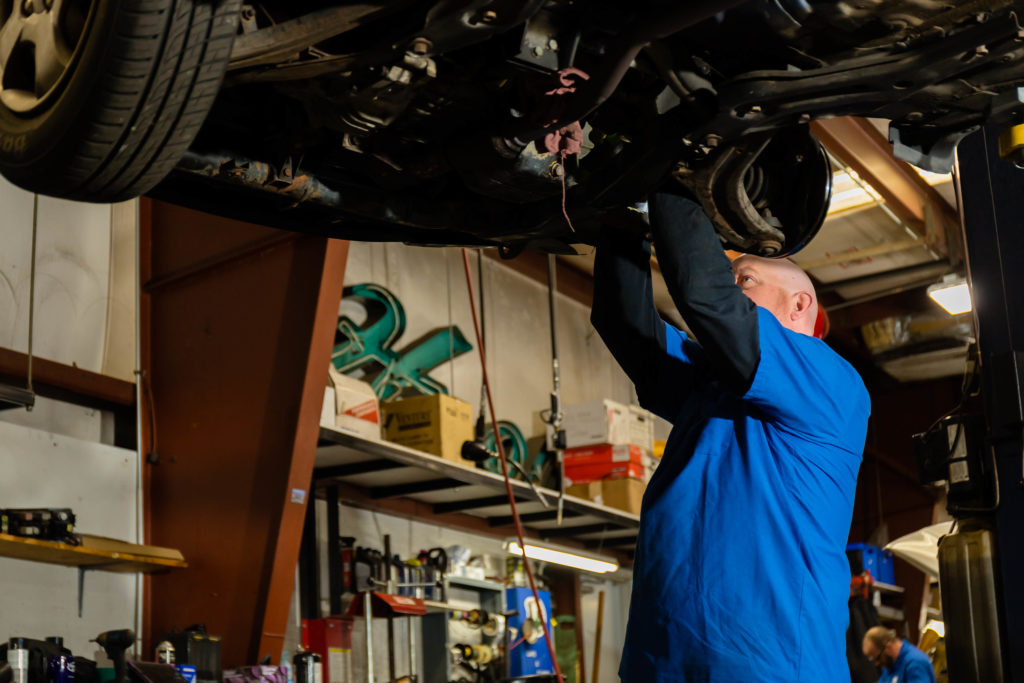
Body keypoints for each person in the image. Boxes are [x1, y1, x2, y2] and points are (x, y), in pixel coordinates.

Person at [591, 191, 871, 681]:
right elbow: (625, 323)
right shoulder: (711, 384)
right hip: (663, 665)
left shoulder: (833, 383)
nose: (730, 285)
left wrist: (670, 176)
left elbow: (708, 298)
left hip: (774, 667)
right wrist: (623, 214)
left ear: (798, 304)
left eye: (743, 280)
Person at [862, 626, 937, 683]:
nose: (876, 664)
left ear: (888, 646)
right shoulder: (890, 664)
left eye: (877, 658)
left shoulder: (915, 662)